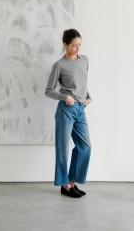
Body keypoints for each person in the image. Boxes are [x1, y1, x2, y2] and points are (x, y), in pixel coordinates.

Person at [44, 28, 92, 198]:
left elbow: (83, 83)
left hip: (80, 109)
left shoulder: (85, 60)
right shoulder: (59, 65)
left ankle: (71, 182)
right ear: (65, 45)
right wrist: (65, 97)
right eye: (73, 45)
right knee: (63, 148)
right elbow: (48, 91)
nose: (77, 48)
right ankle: (64, 185)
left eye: (79, 45)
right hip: (66, 110)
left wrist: (88, 97)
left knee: (85, 147)